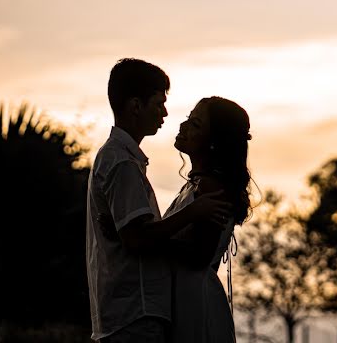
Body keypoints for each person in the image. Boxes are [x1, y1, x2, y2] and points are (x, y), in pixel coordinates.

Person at [86, 59, 232, 342]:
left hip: (148, 309)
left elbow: (148, 238)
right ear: (136, 106)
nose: (166, 113)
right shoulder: (122, 163)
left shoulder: (123, 160)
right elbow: (138, 239)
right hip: (135, 310)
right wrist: (191, 212)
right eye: (158, 103)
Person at [164, 96, 253, 343]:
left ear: (213, 142)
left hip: (194, 303)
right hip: (185, 296)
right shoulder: (197, 185)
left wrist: (144, 236)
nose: (183, 126)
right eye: (188, 119)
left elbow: (199, 256)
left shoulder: (211, 187)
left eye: (195, 124)